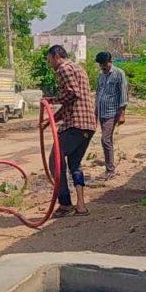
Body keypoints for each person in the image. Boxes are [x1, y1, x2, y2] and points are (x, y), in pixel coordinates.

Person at [44, 45, 96, 217]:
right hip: (88, 125)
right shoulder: (78, 68)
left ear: (56, 55)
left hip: (75, 124)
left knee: (55, 161)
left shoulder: (63, 69)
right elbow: (73, 101)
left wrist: (50, 100)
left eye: (49, 59)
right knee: (75, 165)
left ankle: (65, 203)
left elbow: (71, 94)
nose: (49, 62)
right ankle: (81, 205)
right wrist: (51, 120)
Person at [94, 51, 128, 181]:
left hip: (112, 112)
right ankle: (109, 167)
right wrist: (95, 111)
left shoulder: (119, 74)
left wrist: (122, 114)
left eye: (104, 65)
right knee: (107, 140)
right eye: (100, 65)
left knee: (105, 139)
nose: (102, 67)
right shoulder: (101, 76)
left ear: (110, 62)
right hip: (102, 112)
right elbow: (98, 93)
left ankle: (110, 170)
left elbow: (123, 94)